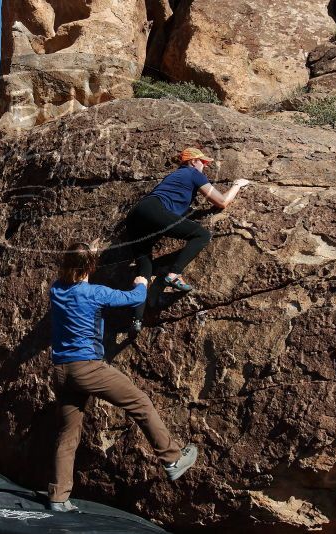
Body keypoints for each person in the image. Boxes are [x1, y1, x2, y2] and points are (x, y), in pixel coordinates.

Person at [46, 242, 198, 512]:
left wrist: (85, 254)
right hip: (88, 368)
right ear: (90, 268)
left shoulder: (56, 290)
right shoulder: (94, 292)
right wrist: (141, 282)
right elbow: (134, 299)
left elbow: (74, 269)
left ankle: (59, 497)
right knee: (139, 402)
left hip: (62, 371)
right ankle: (172, 459)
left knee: (68, 433)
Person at [125, 147, 251, 333]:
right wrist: (237, 185)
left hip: (136, 215)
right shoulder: (192, 173)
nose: (205, 166)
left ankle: (136, 320)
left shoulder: (176, 176)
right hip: (153, 210)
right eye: (203, 162)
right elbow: (222, 202)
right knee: (202, 235)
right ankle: (174, 274)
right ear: (192, 162)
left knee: (144, 267)